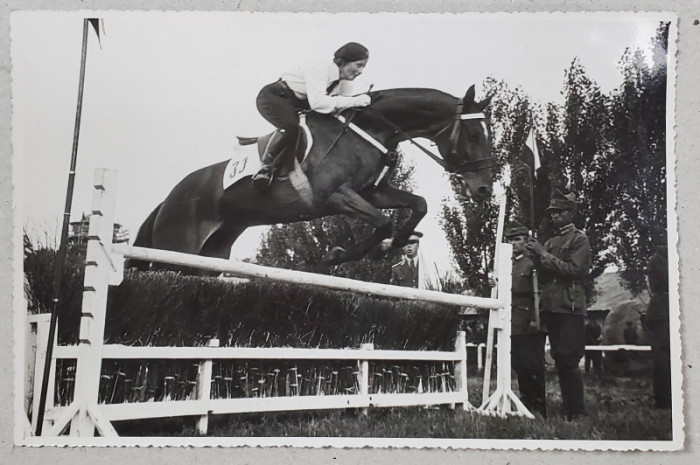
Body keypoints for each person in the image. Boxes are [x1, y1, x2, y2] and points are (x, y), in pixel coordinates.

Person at [251, 42, 372, 189]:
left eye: (363, 67)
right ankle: (266, 168)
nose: (361, 71)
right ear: (344, 61)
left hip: (298, 105)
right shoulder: (319, 67)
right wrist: (354, 101)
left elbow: (340, 111)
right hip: (275, 97)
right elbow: (319, 103)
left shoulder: (345, 84)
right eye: (358, 65)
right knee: (292, 127)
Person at [526, 187, 592, 421]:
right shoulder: (552, 241)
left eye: (560, 212)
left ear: (570, 214)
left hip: (570, 305)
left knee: (569, 359)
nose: (554, 216)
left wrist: (543, 254)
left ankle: (578, 411)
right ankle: (568, 409)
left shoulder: (579, 239)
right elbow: (545, 274)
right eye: (553, 212)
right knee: (559, 358)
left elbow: (574, 270)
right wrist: (535, 255)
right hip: (552, 306)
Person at [505, 222, 547, 417]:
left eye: (517, 240)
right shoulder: (509, 264)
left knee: (533, 364)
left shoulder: (533, 264)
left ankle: (538, 405)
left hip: (530, 318)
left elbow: (539, 294)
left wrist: (534, 319)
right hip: (514, 320)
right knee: (519, 363)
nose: (513, 244)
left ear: (526, 241)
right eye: (511, 240)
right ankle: (526, 401)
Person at [644, 245, 671, 409]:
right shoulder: (658, 260)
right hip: (662, 309)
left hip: (661, 309)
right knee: (662, 358)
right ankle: (664, 400)